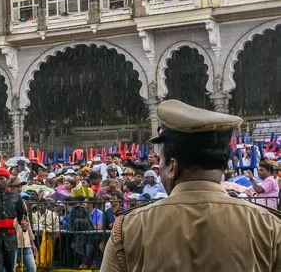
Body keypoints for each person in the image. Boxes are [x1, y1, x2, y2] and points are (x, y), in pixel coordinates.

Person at [101, 99, 281, 272]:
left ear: (172, 167)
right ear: (224, 165)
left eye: (161, 162)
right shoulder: (269, 226)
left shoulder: (129, 229)